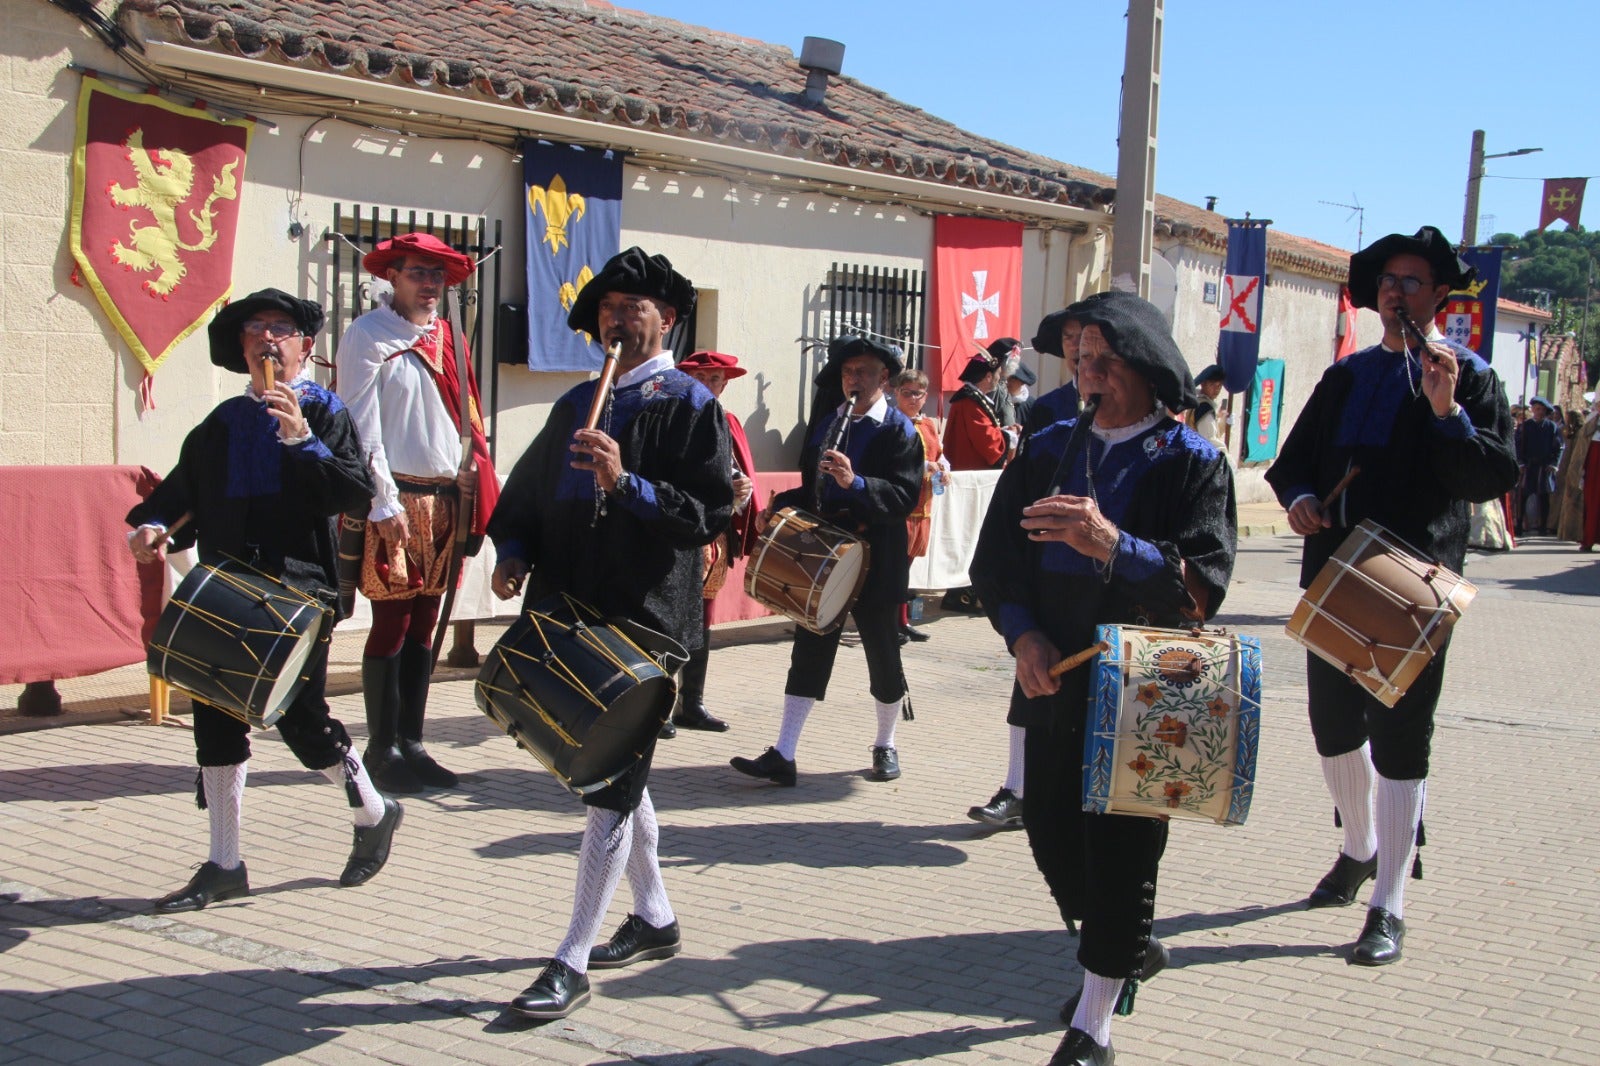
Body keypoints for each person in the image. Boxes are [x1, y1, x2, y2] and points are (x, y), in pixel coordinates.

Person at [970, 291, 1236, 1066]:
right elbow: (996, 563)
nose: (1087, 375)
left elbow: (1201, 586)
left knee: (1121, 849)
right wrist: (1022, 636)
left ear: (1148, 367)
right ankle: (1121, 945)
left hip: (1147, 689)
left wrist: (1113, 543)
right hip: (1051, 678)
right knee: (1052, 835)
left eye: (1104, 360)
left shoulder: (1192, 462)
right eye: (1079, 360)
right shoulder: (1048, 447)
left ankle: (1094, 1024)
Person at [487, 247, 733, 1021]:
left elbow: (709, 515)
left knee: (610, 786)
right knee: (619, 776)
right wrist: (514, 549)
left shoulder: (692, 405)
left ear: (665, 320)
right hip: (570, 605)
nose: (616, 320)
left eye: (633, 309)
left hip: (645, 617)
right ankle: (655, 917)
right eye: (606, 310)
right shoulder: (574, 403)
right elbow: (527, 489)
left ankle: (570, 959)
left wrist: (626, 483)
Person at [1266, 226, 1516, 970]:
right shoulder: (1346, 376)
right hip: (1337, 570)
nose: (1397, 292)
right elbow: (1293, 463)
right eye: (1388, 281)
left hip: (1412, 583)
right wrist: (1304, 498)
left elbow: (1487, 477)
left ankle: (1389, 904)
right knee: (1333, 725)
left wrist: (1446, 410)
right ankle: (1358, 849)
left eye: (1412, 282)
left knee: (1401, 736)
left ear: (1440, 295)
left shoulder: (1467, 375)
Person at [126, 289, 401, 912]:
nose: (267, 340)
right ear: (242, 348)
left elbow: (353, 493)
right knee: (216, 723)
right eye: (255, 330)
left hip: (299, 594)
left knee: (302, 723)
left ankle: (374, 812)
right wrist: (152, 525)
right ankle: (225, 863)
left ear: (305, 347)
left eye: (281, 329)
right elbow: (181, 490)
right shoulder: (223, 423)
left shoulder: (326, 412)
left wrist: (303, 439)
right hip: (227, 590)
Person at [335, 232, 499, 793]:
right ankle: (381, 750)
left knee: (429, 621)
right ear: (393, 278)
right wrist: (381, 500)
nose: (430, 286)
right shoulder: (367, 334)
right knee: (393, 621)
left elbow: (465, 416)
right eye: (418, 274)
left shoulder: (449, 337)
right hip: (395, 499)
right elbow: (359, 424)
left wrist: (471, 471)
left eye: (437, 276)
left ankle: (413, 741)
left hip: (448, 498)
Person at [731, 335, 923, 786]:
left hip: (875, 557)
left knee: (882, 652)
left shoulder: (899, 430)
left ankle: (886, 744)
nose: (852, 380)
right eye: (847, 372)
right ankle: (785, 752)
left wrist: (857, 483)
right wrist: (778, 506)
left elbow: (903, 497)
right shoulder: (828, 423)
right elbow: (811, 488)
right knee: (810, 649)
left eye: (863, 372)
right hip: (827, 556)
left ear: (885, 379)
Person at [672, 349, 761, 733]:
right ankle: (653, 707)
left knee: (702, 623)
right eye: (703, 378)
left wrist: (741, 491)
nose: (710, 385)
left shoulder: (729, 422)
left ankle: (691, 702)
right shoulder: (671, 419)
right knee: (668, 620)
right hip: (675, 534)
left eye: (716, 380)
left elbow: (741, 475)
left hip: (713, 537)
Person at [891, 367, 949, 643]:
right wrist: (927, 465)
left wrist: (944, 468)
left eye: (918, 393)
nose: (913, 398)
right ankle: (892, 622)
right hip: (900, 505)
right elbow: (894, 459)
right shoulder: (891, 423)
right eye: (907, 393)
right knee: (894, 566)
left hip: (923, 504)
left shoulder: (929, 425)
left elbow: (939, 452)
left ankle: (902, 621)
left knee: (907, 566)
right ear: (896, 393)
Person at [943, 348, 1016, 470]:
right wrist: (1010, 435)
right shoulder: (970, 403)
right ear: (988, 376)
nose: (999, 378)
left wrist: (1002, 430)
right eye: (998, 373)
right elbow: (988, 442)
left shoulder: (972, 399)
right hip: (970, 471)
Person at [1515, 396, 1562, 535]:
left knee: (1543, 498)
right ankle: (1519, 525)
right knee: (1522, 496)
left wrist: (1554, 463)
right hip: (1528, 465)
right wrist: (1521, 462)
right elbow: (1518, 444)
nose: (1537, 411)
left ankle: (1543, 526)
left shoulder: (1551, 427)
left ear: (1544, 410)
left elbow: (1558, 446)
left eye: (1540, 409)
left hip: (1544, 466)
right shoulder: (1525, 426)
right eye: (1535, 408)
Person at [1190, 365, 1228, 449]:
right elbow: (1210, 441)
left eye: (1219, 385)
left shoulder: (1197, 400)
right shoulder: (1204, 408)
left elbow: (1213, 432)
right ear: (1203, 384)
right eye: (1212, 385)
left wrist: (1224, 422)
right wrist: (1227, 459)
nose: (1216, 389)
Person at [1006, 359, 1039, 430]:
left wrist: (1022, 431)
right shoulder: (997, 401)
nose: (1007, 382)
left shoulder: (1032, 404)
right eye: (1005, 378)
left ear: (1022, 382)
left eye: (1012, 379)